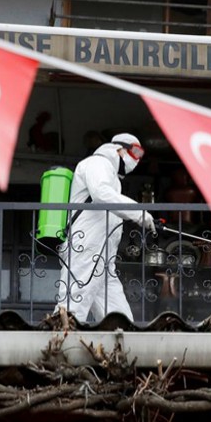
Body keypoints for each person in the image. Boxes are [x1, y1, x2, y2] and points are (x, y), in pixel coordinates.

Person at [56, 132, 156, 322]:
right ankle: (58, 346)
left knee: (119, 318)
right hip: (85, 248)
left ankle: (123, 348)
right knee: (71, 309)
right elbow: (101, 193)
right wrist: (138, 213)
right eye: (135, 153)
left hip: (103, 258)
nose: (136, 161)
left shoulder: (112, 177)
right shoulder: (97, 163)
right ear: (119, 149)